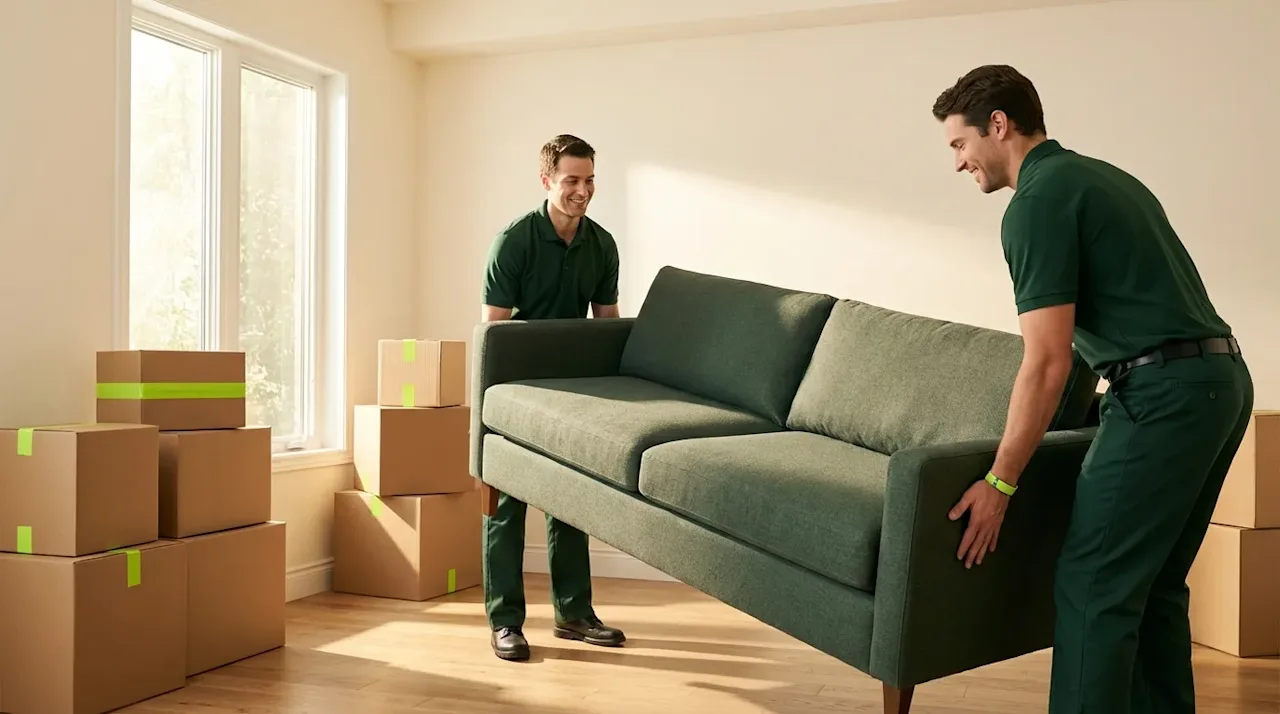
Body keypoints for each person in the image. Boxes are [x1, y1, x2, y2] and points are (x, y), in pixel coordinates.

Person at [932, 65, 1253, 713]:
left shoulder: (1035, 205)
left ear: (999, 125)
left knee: (1093, 586)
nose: (958, 162)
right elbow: (1086, 344)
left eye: (960, 143)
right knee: (1154, 586)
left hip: (1163, 396)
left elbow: (1047, 361)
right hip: (1219, 384)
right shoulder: (1104, 178)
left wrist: (1000, 483)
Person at [478, 134, 625, 662]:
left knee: (571, 497)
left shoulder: (602, 245)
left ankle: (574, 613)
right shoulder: (512, 242)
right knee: (506, 504)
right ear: (547, 180)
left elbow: (607, 328)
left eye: (590, 180)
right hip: (513, 389)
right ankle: (505, 621)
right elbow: (492, 334)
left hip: (574, 389)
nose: (582, 191)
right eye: (571, 180)